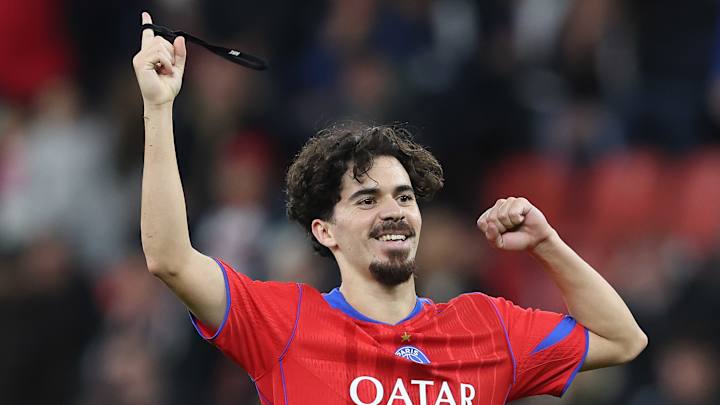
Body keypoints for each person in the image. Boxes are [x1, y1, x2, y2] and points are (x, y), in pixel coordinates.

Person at [133, 12, 647, 405]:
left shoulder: (486, 329)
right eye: (367, 199)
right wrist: (159, 108)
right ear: (326, 231)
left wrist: (547, 245)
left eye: (404, 196)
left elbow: (622, 339)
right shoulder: (284, 324)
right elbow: (169, 259)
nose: (394, 211)